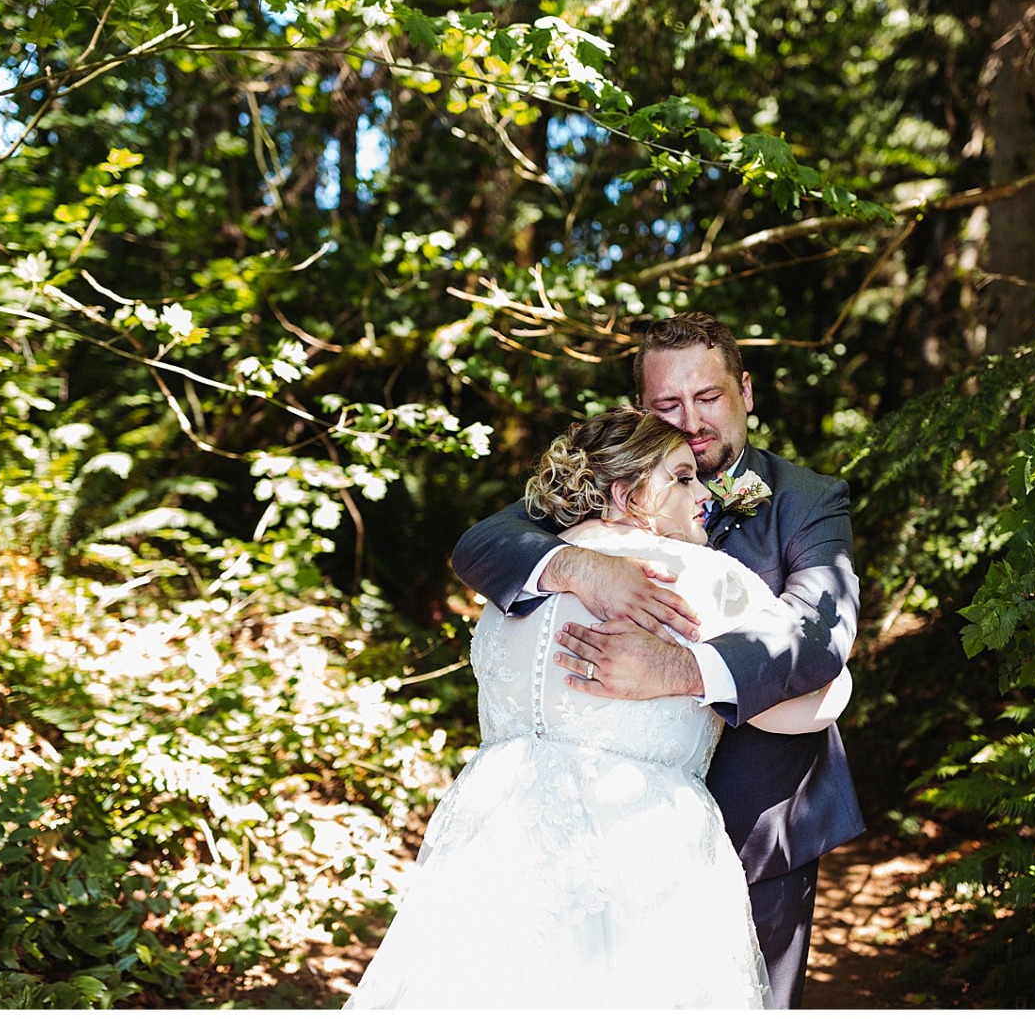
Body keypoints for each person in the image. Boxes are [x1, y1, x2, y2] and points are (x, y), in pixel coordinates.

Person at [348, 410, 850, 1008]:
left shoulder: (518, 578)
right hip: (643, 846)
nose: (705, 493)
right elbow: (815, 699)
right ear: (629, 492)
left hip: (496, 831)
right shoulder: (695, 578)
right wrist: (721, 676)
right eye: (684, 477)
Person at [448, 312, 862, 1006]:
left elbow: (819, 636)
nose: (692, 422)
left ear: (746, 392)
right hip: (589, 834)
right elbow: (481, 544)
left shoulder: (808, 500)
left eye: (708, 398)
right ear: (644, 410)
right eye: (668, 405)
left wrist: (682, 670)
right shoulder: (599, 490)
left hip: (763, 820)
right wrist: (578, 565)